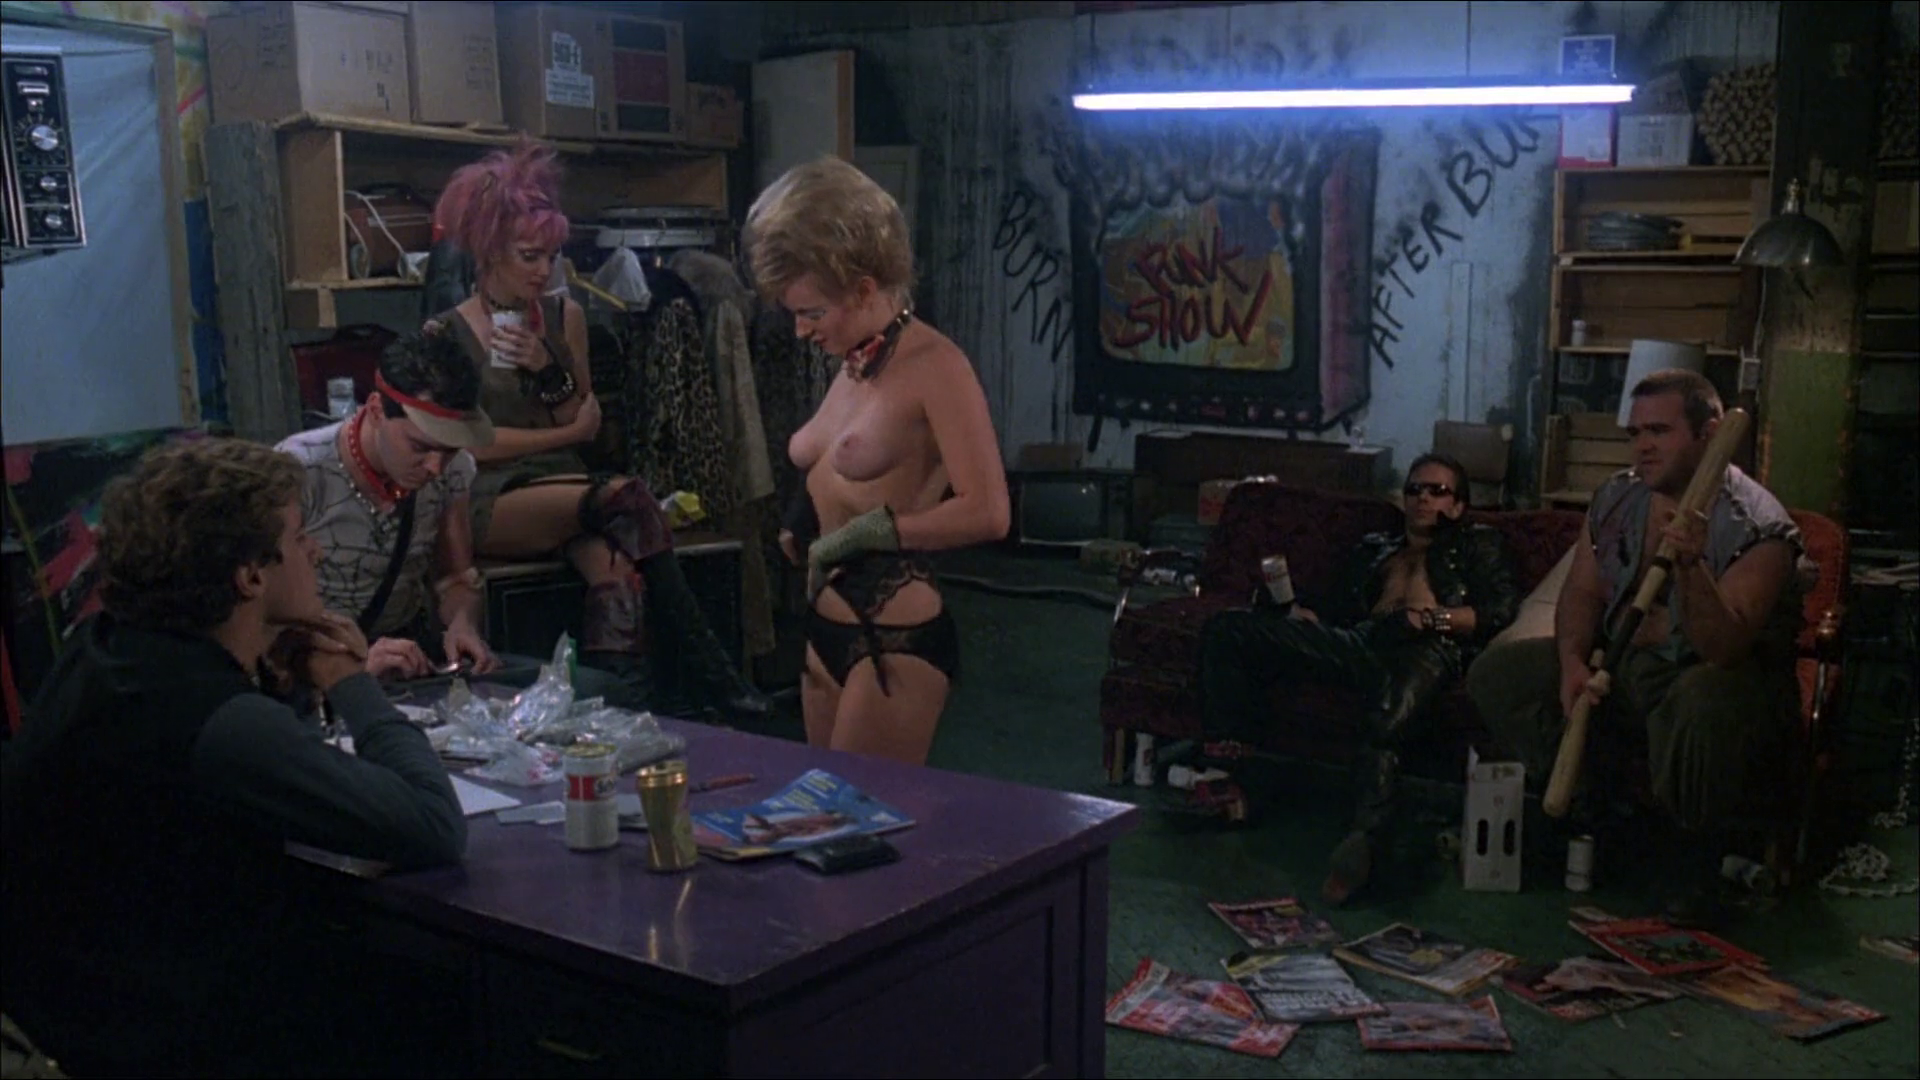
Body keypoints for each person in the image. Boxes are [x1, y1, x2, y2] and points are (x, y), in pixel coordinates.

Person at [0, 439, 467, 1076]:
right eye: (299, 538)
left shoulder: (106, 649)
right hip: (156, 1036)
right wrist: (350, 682)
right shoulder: (216, 718)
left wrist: (282, 677)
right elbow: (433, 824)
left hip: (68, 1003)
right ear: (250, 576)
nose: (316, 551)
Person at [430, 138, 768, 721]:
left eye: (552, 256)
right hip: (490, 497)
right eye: (529, 256)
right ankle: (717, 675)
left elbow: (582, 423)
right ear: (489, 254)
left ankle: (622, 712)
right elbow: (466, 448)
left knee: (617, 575)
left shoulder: (566, 317)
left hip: (567, 489)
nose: (545, 271)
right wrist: (560, 435)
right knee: (628, 498)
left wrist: (546, 366)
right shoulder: (447, 334)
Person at [1467, 369, 1805, 928]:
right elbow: (1582, 592)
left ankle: (1692, 856)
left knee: (1702, 697)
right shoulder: (1618, 498)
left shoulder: (1760, 527)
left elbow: (1723, 648)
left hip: (1719, 684)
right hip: (1626, 667)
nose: (1642, 446)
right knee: (1498, 674)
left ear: (1708, 434)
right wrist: (1571, 664)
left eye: (1659, 431)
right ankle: (1599, 815)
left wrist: (1691, 565)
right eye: (1635, 433)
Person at [746, 155, 1010, 766]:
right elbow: (832, 460)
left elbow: (990, 512)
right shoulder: (857, 361)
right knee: (823, 810)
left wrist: (874, 532)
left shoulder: (937, 367)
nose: (800, 331)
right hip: (825, 620)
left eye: (812, 313)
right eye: (794, 313)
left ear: (864, 290)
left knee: (853, 810)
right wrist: (803, 516)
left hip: (891, 628)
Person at [1193, 453, 1520, 905]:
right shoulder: (1376, 548)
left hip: (1429, 647)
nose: (1423, 498)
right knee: (1228, 628)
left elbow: (1499, 611)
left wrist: (1430, 619)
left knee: (1387, 718)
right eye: (1415, 489)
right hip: (1363, 641)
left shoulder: (1477, 543)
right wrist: (1305, 616)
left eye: (1437, 491)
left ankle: (1362, 847)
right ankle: (1232, 777)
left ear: (1459, 505)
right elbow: (1339, 608)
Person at [277, 325, 625, 704]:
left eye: (448, 451)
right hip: (318, 668)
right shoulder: (300, 470)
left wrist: (461, 625)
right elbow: (267, 616)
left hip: (412, 660)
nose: (435, 467)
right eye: (419, 447)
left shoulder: (452, 471)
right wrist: (350, 664)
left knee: (596, 691)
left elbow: (455, 577)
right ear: (376, 411)